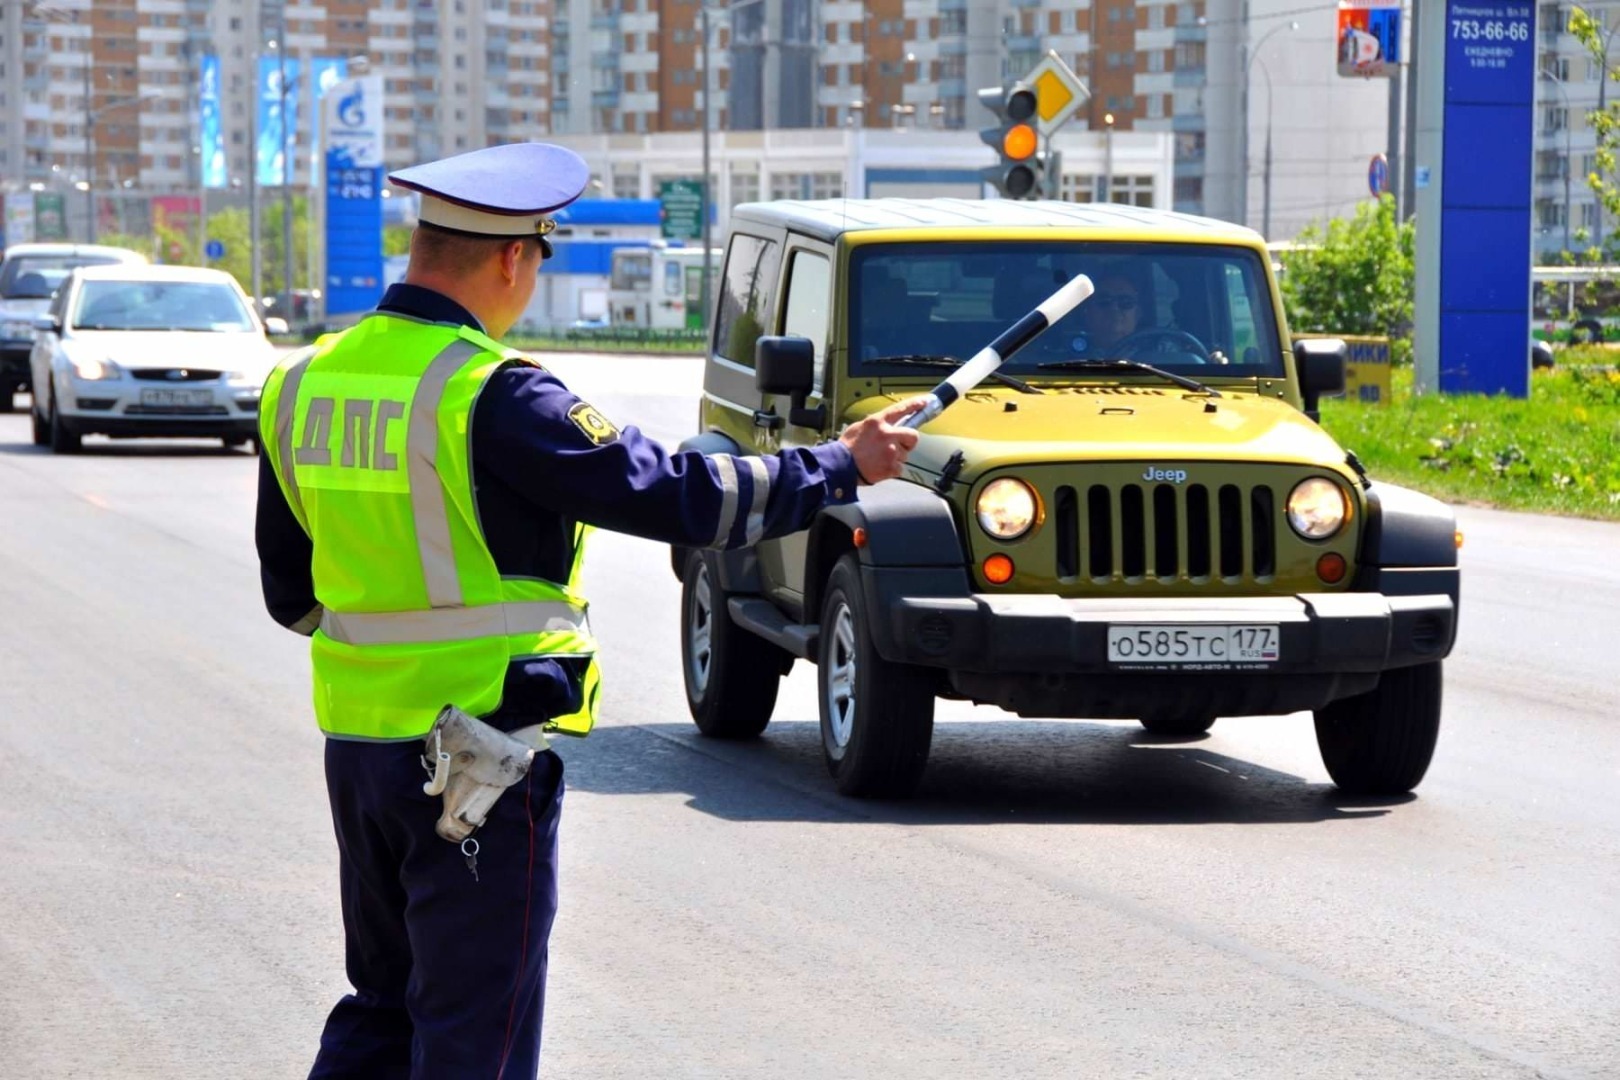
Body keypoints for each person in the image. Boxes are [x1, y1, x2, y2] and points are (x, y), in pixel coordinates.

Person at [254, 142, 924, 1079]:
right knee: (472, 1034)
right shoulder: (491, 392)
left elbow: (291, 596)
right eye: (540, 258)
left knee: (383, 1008)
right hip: (473, 765)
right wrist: (841, 464)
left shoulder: (303, 383)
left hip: (359, 754)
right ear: (510, 259)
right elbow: (685, 496)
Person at [1077, 271, 1143, 356]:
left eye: (1125, 301)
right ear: (1087, 313)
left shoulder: (1156, 359)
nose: (1114, 309)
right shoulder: (1066, 363)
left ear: (1137, 314)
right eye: (1104, 301)